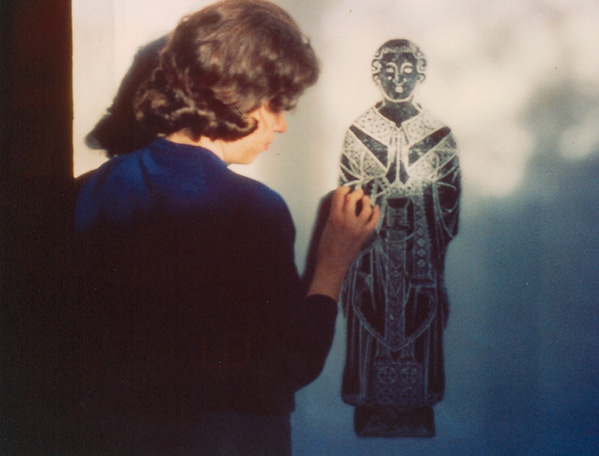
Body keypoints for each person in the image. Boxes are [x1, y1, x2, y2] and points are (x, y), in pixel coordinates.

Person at [72, 1, 379, 455]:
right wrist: (334, 261)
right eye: (276, 104)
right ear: (238, 93)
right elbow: (290, 365)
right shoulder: (251, 210)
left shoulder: (87, 192)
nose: (282, 124)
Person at [338, 39, 460, 437]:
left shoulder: (438, 133)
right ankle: (370, 403)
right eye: (389, 72)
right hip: (373, 254)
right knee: (370, 312)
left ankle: (417, 404)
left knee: (418, 316)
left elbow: (450, 196)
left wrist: (420, 196)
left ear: (420, 75)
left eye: (407, 73)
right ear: (377, 75)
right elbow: (347, 192)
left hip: (418, 251)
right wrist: (373, 193)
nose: (398, 81)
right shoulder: (359, 132)